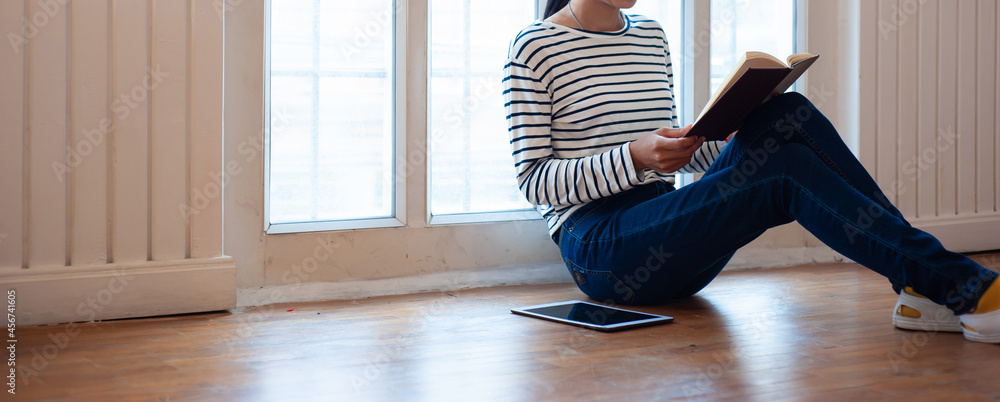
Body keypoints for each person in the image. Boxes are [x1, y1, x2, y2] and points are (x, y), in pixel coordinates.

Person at [503, 0, 1000, 342]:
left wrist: (725, 135)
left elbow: (676, 155)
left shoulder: (650, 36)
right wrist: (634, 158)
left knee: (787, 115)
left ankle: (920, 288)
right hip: (601, 249)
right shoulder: (533, 47)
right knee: (782, 172)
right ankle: (963, 288)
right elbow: (533, 181)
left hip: (669, 228)